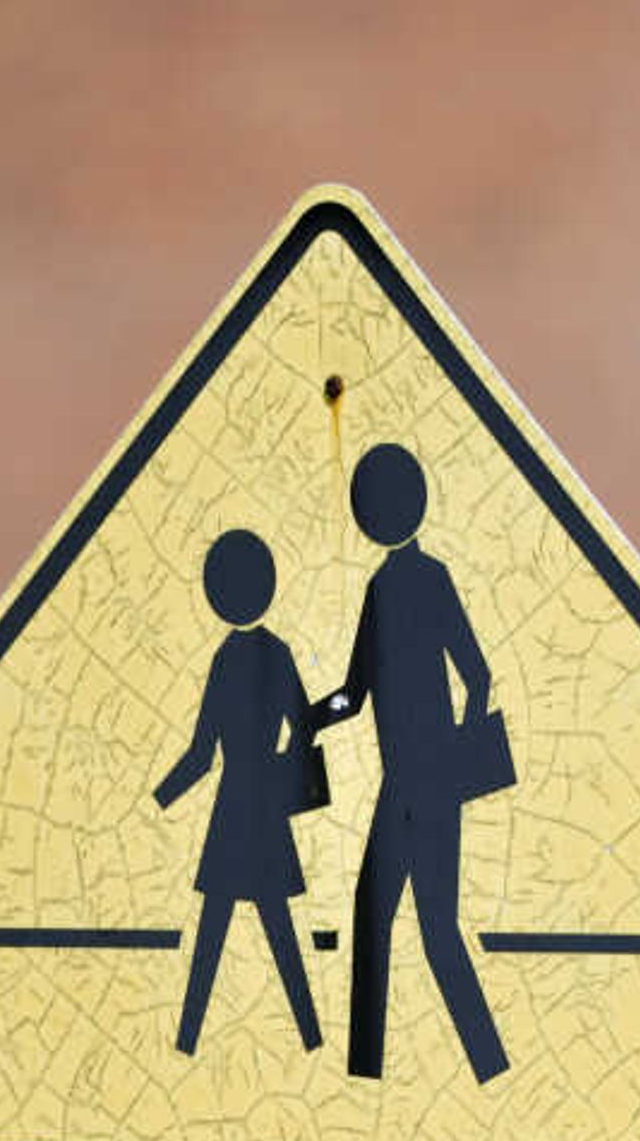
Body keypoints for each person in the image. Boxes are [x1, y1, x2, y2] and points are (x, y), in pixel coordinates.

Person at [312, 442, 511, 1084]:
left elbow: (477, 674)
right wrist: (307, 717)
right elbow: (355, 690)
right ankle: (365, 1077)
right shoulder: (381, 589)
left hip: (428, 787)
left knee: (436, 934)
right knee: (373, 918)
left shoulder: (429, 580)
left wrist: (453, 758)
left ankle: (490, 1066)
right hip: (401, 788)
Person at [150, 528, 326, 1056]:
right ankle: (312, 1039)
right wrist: (282, 773)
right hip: (265, 808)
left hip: (234, 812)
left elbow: (203, 754)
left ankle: (187, 1040)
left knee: (215, 933)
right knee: (277, 930)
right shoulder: (279, 653)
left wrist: (159, 799)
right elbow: (305, 725)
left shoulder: (227, 660)